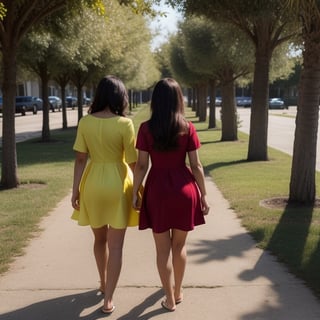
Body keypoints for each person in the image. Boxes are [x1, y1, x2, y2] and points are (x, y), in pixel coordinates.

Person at [132, 78, 210, 312]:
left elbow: (142, 165)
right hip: (184, 191)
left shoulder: (146, 128)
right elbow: (196, 166)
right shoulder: (188, 127)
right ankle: (177, 292)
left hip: (157, 190)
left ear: (155, 100)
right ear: (179, 100)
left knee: (162, 250)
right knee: (179, 247)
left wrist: (136, 191)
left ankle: (168, 298)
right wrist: (204, 195)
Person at [71, 75, 139, 315]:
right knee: (116, 246)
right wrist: (139, 190)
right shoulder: (124, 124)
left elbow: (80, 159)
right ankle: (108, 298)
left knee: (99, 240)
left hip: (92, 184)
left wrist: (75, 190)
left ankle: (102, 282)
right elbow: (133, 162)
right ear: (120, 96)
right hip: (118, 184)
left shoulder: (85, 122)